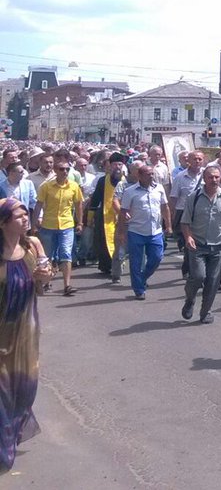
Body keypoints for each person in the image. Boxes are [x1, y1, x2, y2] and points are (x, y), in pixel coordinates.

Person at [0, 198, 52, 471]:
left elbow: (44, 286)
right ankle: (3, 449)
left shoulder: (32, 245)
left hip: (26, 329)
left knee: (24, 389)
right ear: (4, 222)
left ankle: (12, 431)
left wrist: (44, 277)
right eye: (18, 216)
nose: (25, 219)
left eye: (25, 214)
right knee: (2, 391)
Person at [179, 166, 221, 324]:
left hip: (219, 245)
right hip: (197, 245)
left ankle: (205, 312)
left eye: (217, 177)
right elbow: (185, 222)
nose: (214, 180)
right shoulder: (195, 197)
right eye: (211, 177)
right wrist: (188, 237)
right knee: (198, 277)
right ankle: (190, 299)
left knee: (213, 280)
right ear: (204, 178)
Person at [116, 161, 171, 300]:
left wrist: (169, 225)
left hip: (155, 231)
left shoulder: (159, 188)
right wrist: (121, 232)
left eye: (152, 174)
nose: (151, 177)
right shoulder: (130, 191)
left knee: (157, 258)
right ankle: (139, 289)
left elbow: (165, 208)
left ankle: (142, 277)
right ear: (139, 176)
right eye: (148, 174)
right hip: (136, 231)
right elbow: (123, 212)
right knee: (136, 261)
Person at [32, 159, 84, 297]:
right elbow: (38, 205)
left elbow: (78, 205)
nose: (65, 172)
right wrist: (33, 225)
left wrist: (80, 223)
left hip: (67, 225)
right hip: (48, 225)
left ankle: (67, 285)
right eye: (61, 169)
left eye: (67, 169)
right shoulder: (46, 186)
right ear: (55, 170)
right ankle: (45, 281)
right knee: (47, 255)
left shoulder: (73, 186)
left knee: (66, 254)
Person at [88, 152, 126, 282]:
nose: (117, 167)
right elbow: (96, 198)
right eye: (115, 164)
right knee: (103, 242)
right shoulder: (103, 180)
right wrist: (90, 216)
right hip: (104, 215)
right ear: (110, 165)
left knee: (120, 242)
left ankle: (117, 266)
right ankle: (106, 265)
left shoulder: (126, 180)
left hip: (122, 214)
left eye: (120, 164)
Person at [170, 151, 204, 278]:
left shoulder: (207, 174)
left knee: (200, 243)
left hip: (202, 214)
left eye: (200, 159)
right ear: (188, 160)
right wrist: (172, 216)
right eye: (195, 159)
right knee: (188, 243)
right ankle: (188, 269)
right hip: (184, 214)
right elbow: (173, 197)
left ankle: (195, 269)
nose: (197, 161)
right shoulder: (180, 177)